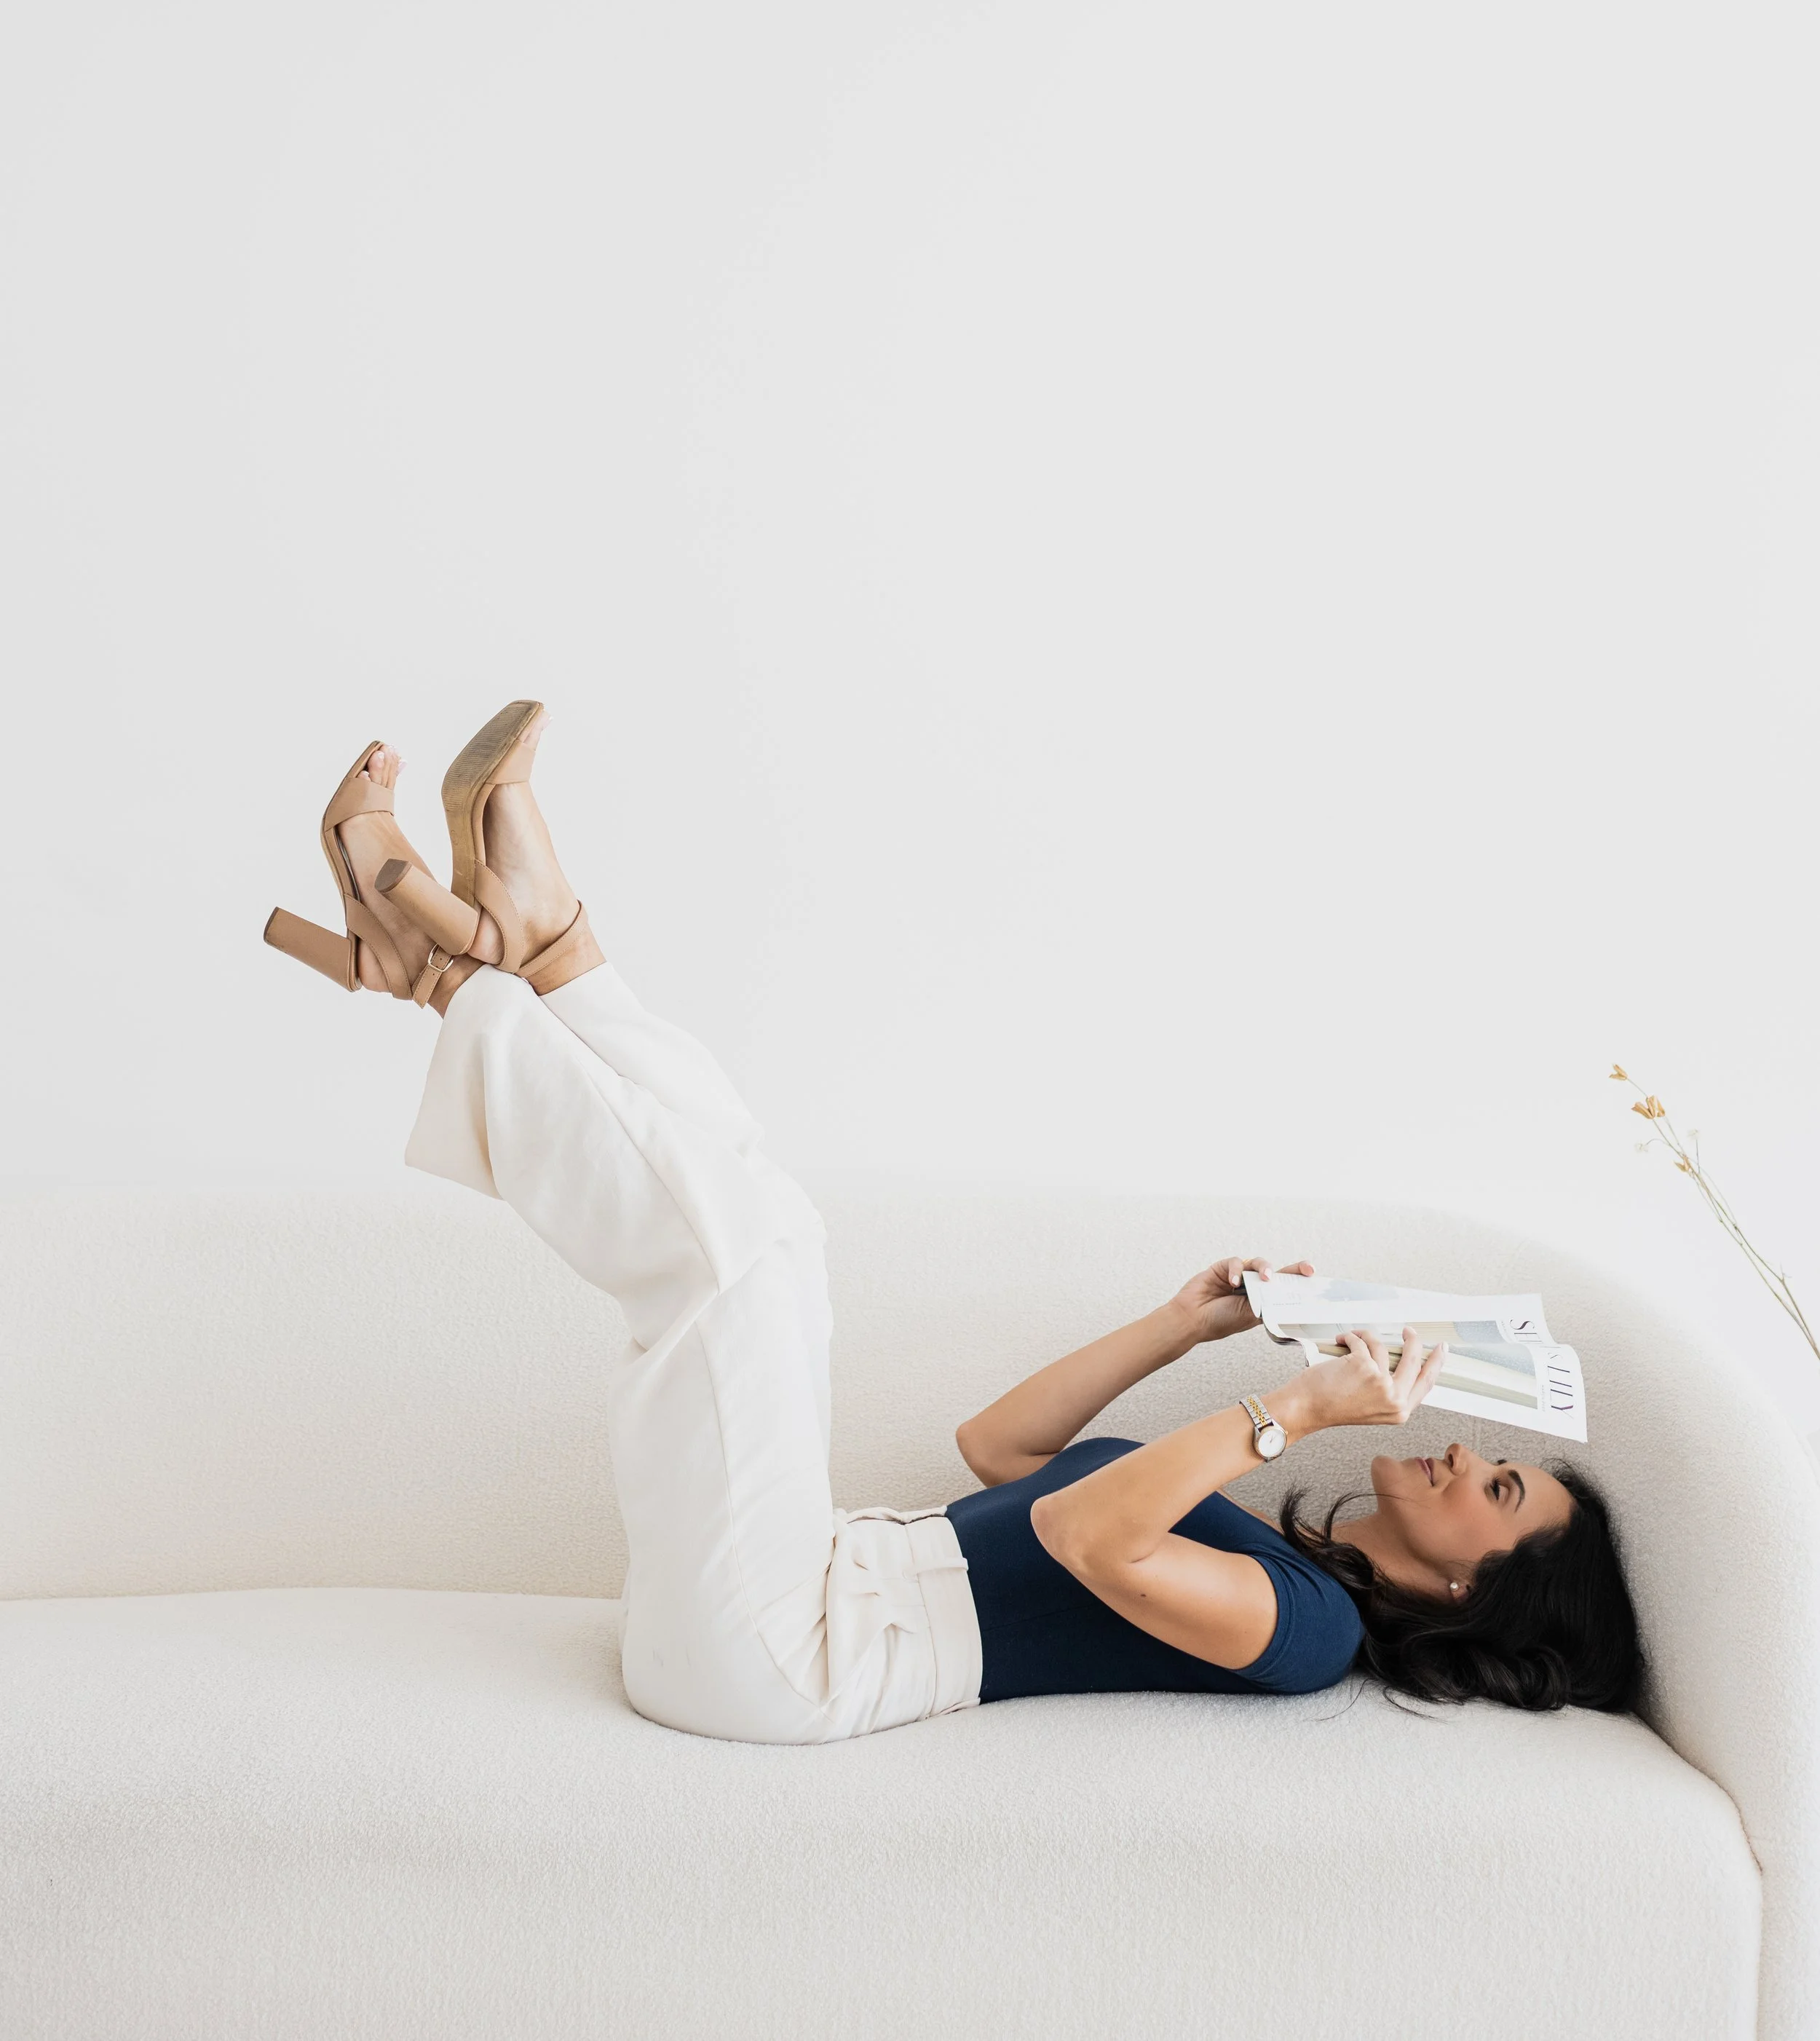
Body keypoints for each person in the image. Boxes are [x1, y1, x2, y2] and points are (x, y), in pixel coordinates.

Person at [264, 702, 1645, 1746]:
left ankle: (453, 978)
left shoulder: (1310, 1632)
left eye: (1503, 1489)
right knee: (772, 1216)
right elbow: (1003, 1454)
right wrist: (1182, 1324)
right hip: (803, 1575)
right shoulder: (1264, 1541)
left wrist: (1298, 1407)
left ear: (1473, 1593)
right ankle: (549, 951)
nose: (1470, 1450)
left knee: (744, 1262)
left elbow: (1086, 1543)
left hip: (783, 1661)